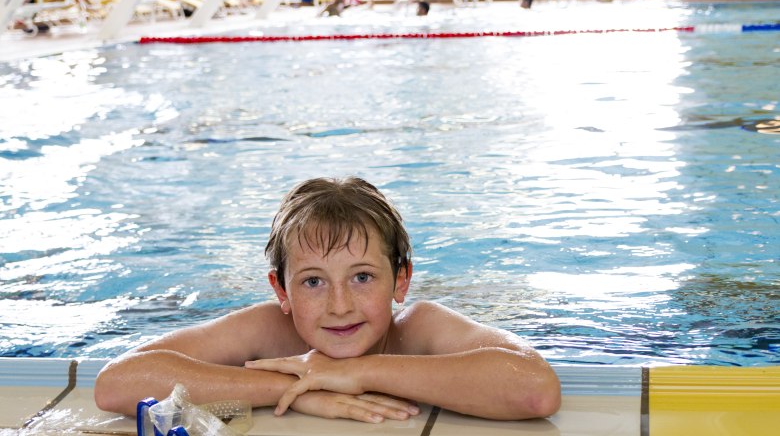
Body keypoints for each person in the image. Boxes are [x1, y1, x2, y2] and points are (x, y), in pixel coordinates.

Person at [94, 177, 561, 423]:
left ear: (401, 281)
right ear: (282, 291)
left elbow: (534, 388)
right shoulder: (266, 330)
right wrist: (299, 390)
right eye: (313, 282)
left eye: (362, 277)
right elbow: (117, 384)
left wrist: (354, 373)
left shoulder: (419, 328)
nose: (340, 305)